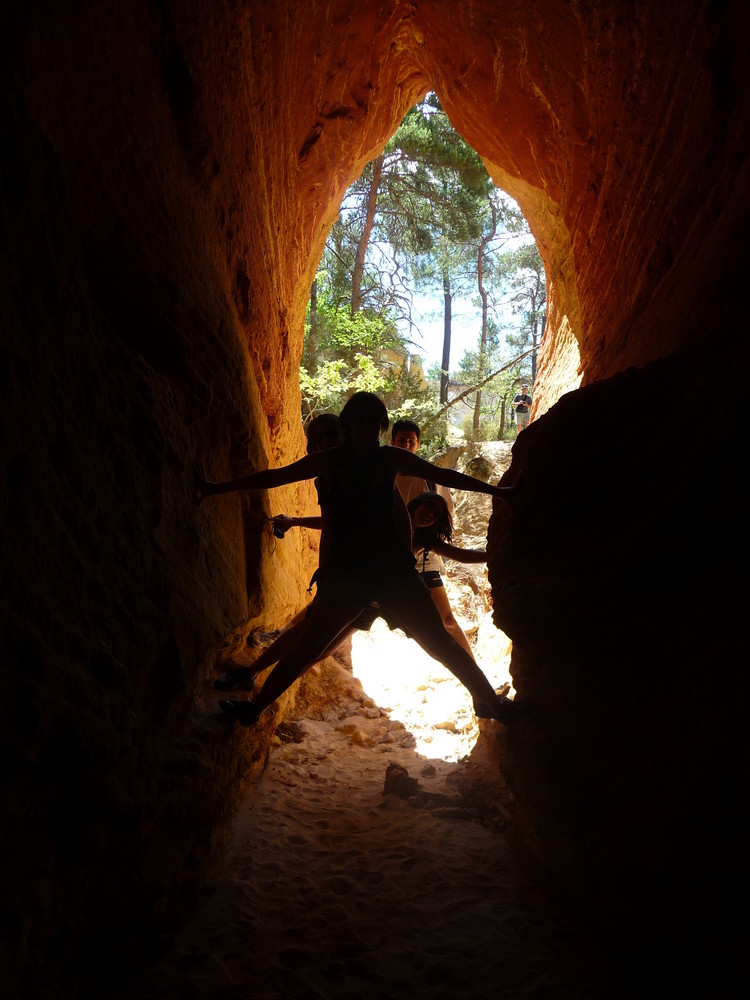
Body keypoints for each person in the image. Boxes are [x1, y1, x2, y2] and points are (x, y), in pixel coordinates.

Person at [197, 391, 522, 726]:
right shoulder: (329, 462)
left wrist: (498, 492)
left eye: (374, 420)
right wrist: (218, 488)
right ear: (347, 423)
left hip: (389, 571)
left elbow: (441, 475)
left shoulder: (389, 458)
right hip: (351, 574)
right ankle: (255, 708)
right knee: (308, 648)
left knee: (441, 644)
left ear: (380, 425)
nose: (367, 426)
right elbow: (274, 476)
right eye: (360, 419)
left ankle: (496, 707)